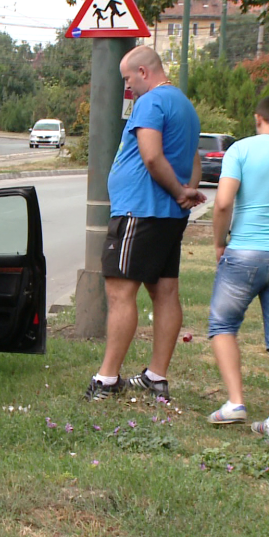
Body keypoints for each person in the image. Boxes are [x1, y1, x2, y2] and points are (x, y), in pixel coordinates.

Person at [85, 45, 205, 402]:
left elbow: (151, 156)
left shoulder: (151, 102)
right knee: (165, 292)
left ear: (143, 72)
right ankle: (156, 377)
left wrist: (177, 190)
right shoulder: (184, 104)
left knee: (120, 292)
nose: (128, 87)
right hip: (168, 216)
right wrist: (187, 191)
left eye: (128, 79)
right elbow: (193, 157)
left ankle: (106, 380)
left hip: (140, 210)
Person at [207, 96, 269, 428]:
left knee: (223, 325)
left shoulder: (241, 150)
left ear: (258, 117)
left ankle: (235, 402)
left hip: (244, 251)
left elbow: (222, 203)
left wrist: (219, 243)